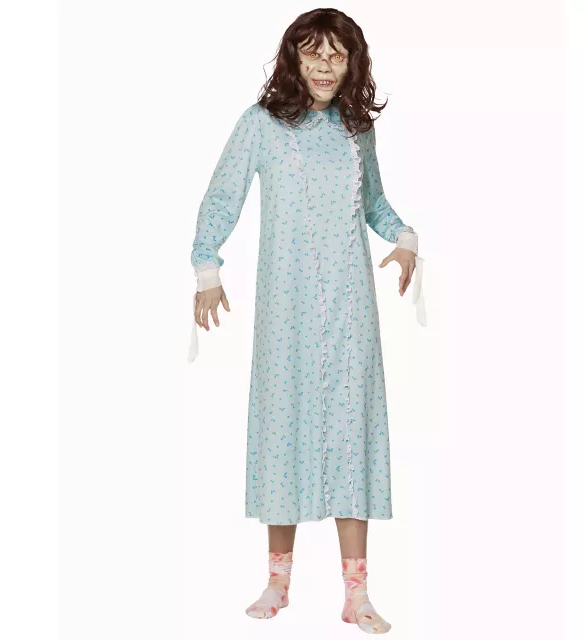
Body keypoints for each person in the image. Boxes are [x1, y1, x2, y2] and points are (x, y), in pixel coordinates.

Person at [188, 8, 426, 634]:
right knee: (282, 426)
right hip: (286, 307)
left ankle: (357, 592)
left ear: (353, 64)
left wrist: (404, 237)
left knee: (353, 430)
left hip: (351, 308)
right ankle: (278, 581)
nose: (324, 65)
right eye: (313, 52)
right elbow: (222, 194)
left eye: (337, 55)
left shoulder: (355, 130)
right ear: (293, 58)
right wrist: (207, 267)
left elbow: (374, 201)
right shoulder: (262, 124)